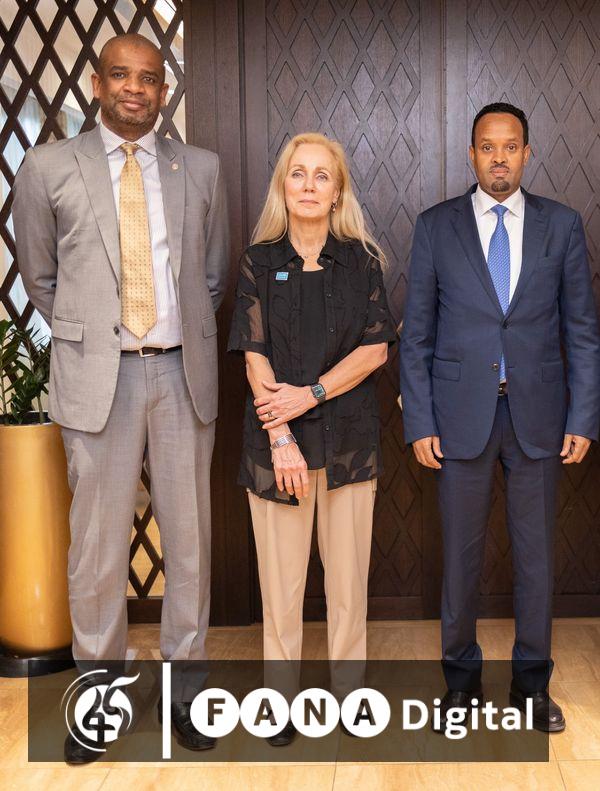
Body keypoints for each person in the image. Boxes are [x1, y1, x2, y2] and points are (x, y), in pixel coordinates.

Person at [12, 33, 229, 762]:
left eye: (149, 78)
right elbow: (41, 277)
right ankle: (99, 698)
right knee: (98, 553)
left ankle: (184, 691)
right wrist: (99, 336)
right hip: (96, 378)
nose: (135, 88)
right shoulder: (48, 167)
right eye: (120, 75)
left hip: (180, 375)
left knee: (190, 547)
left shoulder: (200, 168)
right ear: (97, 84)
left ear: (164, 91)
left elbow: (211, 277)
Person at [400, 102, 600, 733]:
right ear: (472, 155)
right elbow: (417, 335)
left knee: (536, 560)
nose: (499, 158)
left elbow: (582, 330)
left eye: (510, 147)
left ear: (526, 153)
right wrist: (420, 421)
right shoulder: (436, 226)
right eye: (487, 147)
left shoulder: (561, 225)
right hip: (458, 418)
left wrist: (583, 416)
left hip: (539, 416)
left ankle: (531, 686)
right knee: (460, 561)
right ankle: (459, 685)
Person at [228, 132, 396, 745]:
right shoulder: (257, 261)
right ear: (283, 185)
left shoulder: (362, 262)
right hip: (278, 448)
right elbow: (254, 355)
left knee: (348, 584)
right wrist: (282, 437)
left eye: (321, 175)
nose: (308, 184)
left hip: (349, 441)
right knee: (282, 586)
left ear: (337, 191)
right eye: (298, 173)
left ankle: (350, 696)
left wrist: (311, 395)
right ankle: (280, 701)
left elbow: (375, 351)